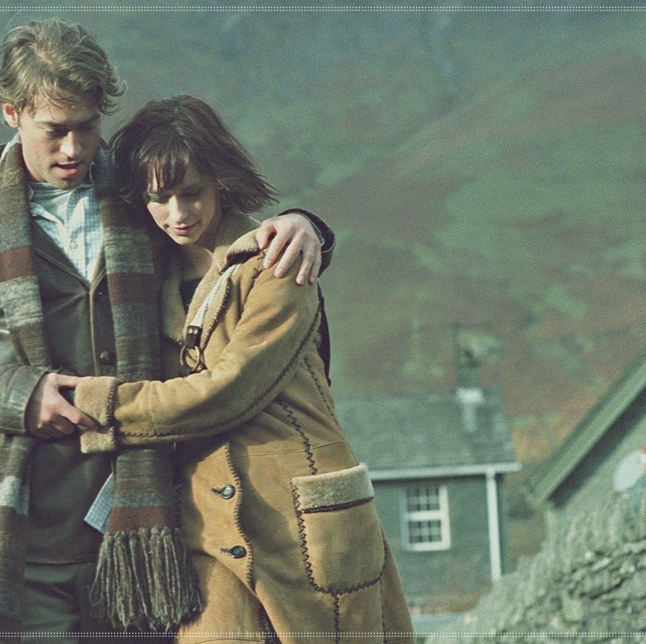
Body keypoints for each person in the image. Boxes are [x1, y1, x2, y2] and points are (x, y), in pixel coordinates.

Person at [0, 18, 330, 642]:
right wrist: (22, 395)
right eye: (55, 130)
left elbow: (226, 244)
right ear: (10, 113)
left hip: (148, 523)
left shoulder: (143, 196)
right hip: (21, 529)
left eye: (88, 126)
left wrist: (305, 224)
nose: (74, 149)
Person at [71, 95, 414, 642]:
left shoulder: (277, 263)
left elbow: (228, 391)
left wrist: (100, 408)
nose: (178, 214)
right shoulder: (144, 279)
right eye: (159, 198)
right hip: (206, 531)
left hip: (302, 524)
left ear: (221, 181)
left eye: (192, 193)